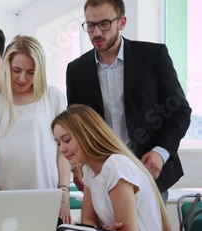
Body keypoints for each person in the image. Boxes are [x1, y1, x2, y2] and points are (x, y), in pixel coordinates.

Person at [66, 0, 192, 200]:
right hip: (103, 176)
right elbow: (76, 126)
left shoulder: (153, 56)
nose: (96, 33)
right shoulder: (76, 70)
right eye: (90, 25)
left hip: (150, 174)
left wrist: (161, 153)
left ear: (122, 22)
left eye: (104, 23)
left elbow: (180, 112)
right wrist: (77, 164)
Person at [52, 104, 180, 231]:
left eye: (67, 140)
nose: (61, 149)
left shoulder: (116, 166)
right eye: (58, 143)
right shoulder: (90, 170)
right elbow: (88, 221)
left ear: (86, 134)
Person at [0, 35, 72, 224]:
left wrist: (64, 190)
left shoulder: (53, 97)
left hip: (47, 196)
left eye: (31, 72)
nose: (22, 78)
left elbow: (64, 151)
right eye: (16, 70)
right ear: (7, 67)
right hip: (3, 199)